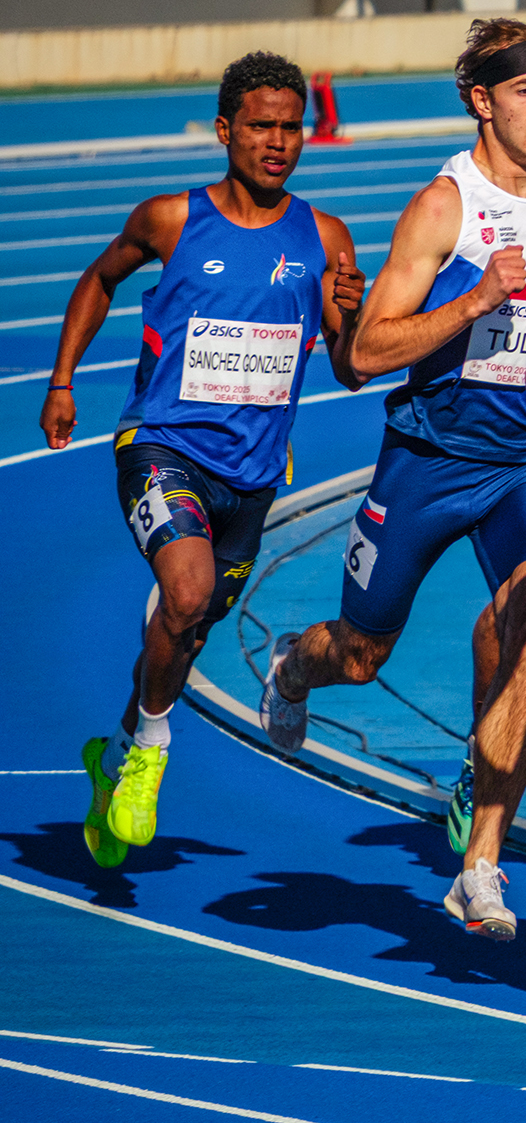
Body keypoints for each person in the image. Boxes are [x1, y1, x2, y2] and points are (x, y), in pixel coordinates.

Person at [260, 19, 526, 942]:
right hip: (429, 458)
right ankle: (296, 665)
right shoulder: (443, 207)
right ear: (482, 101)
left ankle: (483, 863)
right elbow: (365, 353)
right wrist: (476, 300)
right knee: (363, 656)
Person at [37, 53, 363, 869]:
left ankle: (115, 750)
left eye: (292, 126)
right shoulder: (171, 220)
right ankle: (150, 750)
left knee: (186, 632)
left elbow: (351, 364)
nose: (279, 141)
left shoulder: (324, 237)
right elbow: (99, 278)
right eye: (261, 125)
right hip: (162, 447)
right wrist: (63, 379)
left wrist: (352, 316)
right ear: (226, 131)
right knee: (182, 596)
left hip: (252, 478)